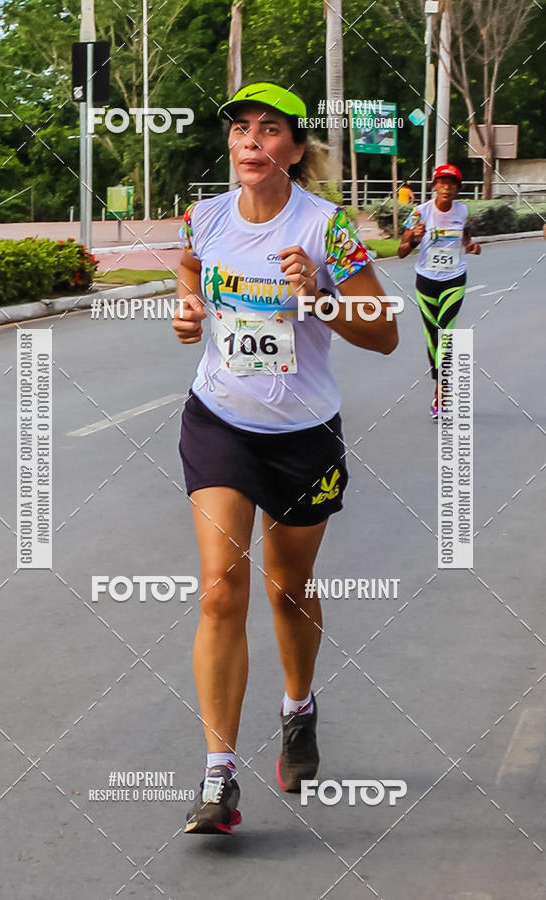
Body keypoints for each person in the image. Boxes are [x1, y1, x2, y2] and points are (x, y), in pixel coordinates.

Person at [172, 81, 398, 835]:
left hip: (304, 434)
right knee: (218, 589)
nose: (251, 142)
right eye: (241, 130)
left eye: (270, 131)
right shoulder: (205, 216)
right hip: (221, 420)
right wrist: (189, 308)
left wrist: (320, 298)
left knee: (286, 586)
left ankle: (297, 709)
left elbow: (383, 332)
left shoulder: (329, 229)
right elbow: (189, 269)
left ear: (297, 151)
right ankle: (218, 776)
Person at [398, 164, 481, 417]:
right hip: (425, 281)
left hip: (454, 279)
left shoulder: (462, 211)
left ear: (458, 189)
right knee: (432, 337)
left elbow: (465, 238)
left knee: (446, 334)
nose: (446, 188)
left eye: (451, 184)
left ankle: (442, 392)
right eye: (442, 183)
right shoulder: (419, 212)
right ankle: (438, 384)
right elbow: (401, 250)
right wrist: (414, 238)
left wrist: (470, 245)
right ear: (434, 186)